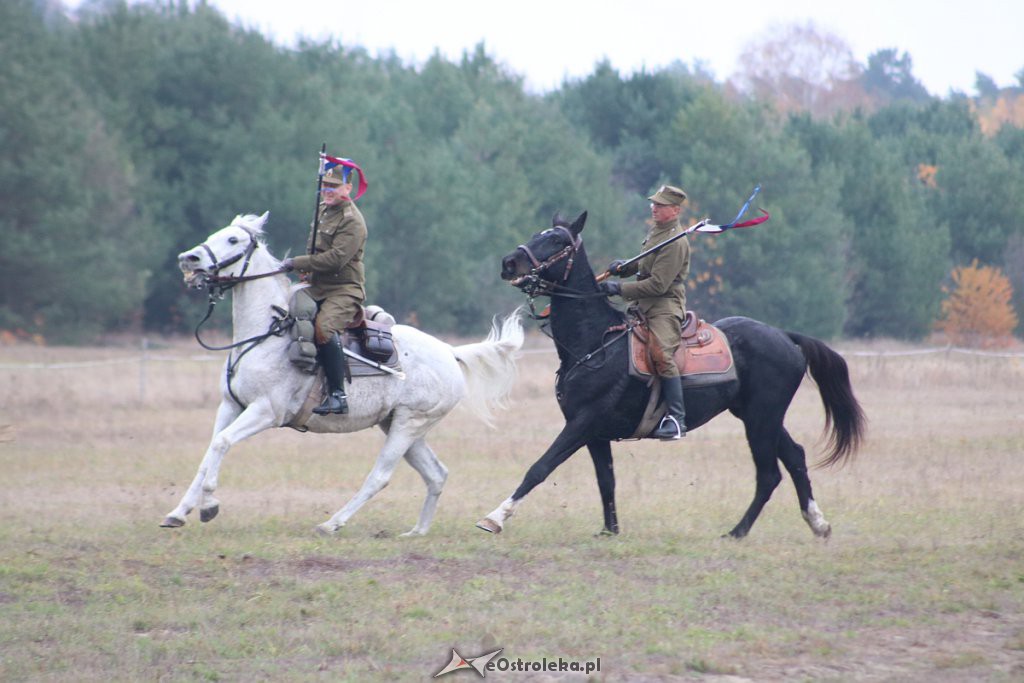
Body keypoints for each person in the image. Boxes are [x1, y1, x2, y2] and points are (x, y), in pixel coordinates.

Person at [599, 184, 690, 439]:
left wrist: (619, 288)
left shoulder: (676, 241)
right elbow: (646, 263)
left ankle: (677, 419)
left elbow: (658, 284)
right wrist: (624, 267)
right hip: (642, 304)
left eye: (660, 205)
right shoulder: (658, 231)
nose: (654, 207)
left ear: (675, 210)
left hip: (664, 306)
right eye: (654, 203)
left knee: (661, 354)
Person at [282, 164, 367, 415]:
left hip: (344, 289)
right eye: (325, 185)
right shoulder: (323, 209)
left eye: (334, 186)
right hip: (317, 285)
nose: (327, 190)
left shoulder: (353, 221)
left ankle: (338, 395)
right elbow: (315, 248)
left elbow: (335, 260)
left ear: (348, 188)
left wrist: (296, 263)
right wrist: (307, 271)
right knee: (284, 310)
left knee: (323, 328)